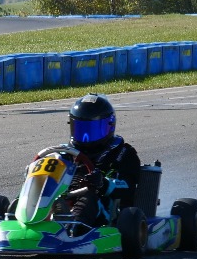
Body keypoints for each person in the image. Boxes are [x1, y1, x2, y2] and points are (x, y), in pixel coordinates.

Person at [56, 93, 141, 229]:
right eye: (81, 129)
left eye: (92, 130)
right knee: (48, 197)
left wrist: (103, 183)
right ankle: (24, 218)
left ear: (109, 126)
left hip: (106, 211)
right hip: (65, 198)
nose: (85, 137)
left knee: (88, 197)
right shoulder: (65, 153)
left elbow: (128, 187)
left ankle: (72, 229)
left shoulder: (123, 153)